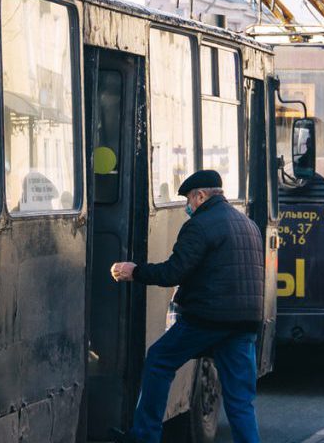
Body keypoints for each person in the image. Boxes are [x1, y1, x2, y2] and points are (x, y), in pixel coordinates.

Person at [109, 170, 264, 443]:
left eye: (189, 200)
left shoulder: (200, 225)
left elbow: (174, 272)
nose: (188, 207)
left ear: (200, 196)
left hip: (208, 318)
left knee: (159, 360)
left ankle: (145, 436)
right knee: (240, 400)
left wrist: (135, 271)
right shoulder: (248, 224)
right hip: (246, 322)